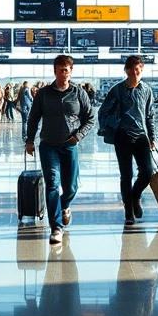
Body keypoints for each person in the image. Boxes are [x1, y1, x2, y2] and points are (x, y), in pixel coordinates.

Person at [25, 55, 96, 245]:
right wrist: (30, 140)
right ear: (54, 71)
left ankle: (64, 205)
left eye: (67, 70)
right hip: (48, 146)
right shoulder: (44, 94)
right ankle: (56, 227)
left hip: (69, 145)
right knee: (52, 184)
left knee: (71, 187)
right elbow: (33, 118)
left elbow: (90, 118)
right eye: (60, 69)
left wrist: (77, 136)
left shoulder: (78, 93)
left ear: (71, 71)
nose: (63, 73)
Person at [99, 55, 157, 226]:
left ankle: (135, 196)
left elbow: (150, 115)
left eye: (138, 69)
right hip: (122, 136)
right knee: (126, 175)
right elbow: (103, 112)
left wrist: (152, 137)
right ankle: (128, 210)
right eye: (131, 69)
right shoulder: (117, 90)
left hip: (141, 136)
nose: (135, 72)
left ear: (142, 69)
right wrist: (114, 126)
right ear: (126, 71)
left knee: (147, 172)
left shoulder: (147, 90)